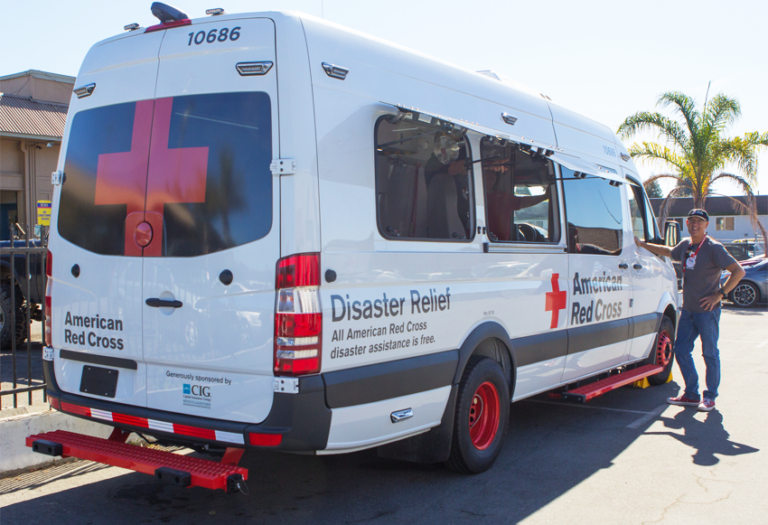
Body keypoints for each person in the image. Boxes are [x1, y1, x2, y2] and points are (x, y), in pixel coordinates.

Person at [635, 209, 745, 412]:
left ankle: (710, 397)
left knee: (710, 353)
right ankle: (692, 394)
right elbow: (668, 251)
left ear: (706, 226)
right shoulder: (686, 245)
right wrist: (642, 245)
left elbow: (738, 271)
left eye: (699, 222)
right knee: (681, 350)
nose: (695, 224)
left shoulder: (714, 248)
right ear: (687, 223)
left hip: (707, 311)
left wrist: (720, 294)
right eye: (692, 221)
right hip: (688, 310)